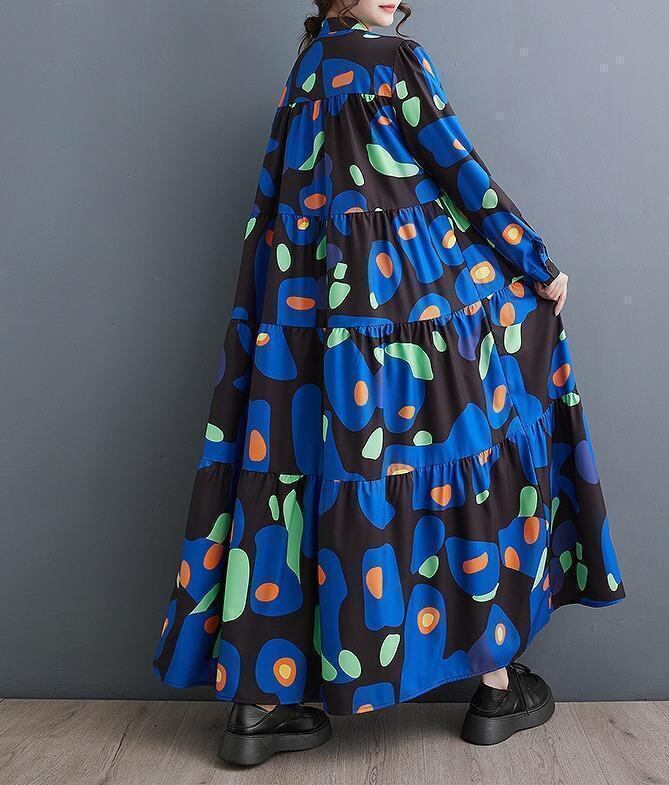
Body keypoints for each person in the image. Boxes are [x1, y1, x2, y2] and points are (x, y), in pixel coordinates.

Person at [153, 0, 625, 766]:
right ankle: (495, 686)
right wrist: (534, 262)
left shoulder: (309, 68)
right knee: (463, 463)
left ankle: (256, 709)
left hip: (305, 323)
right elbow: (459, 169)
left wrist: (267, 322)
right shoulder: (394, 59)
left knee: (294, 486)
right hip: (406, 308)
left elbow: (272, 202)